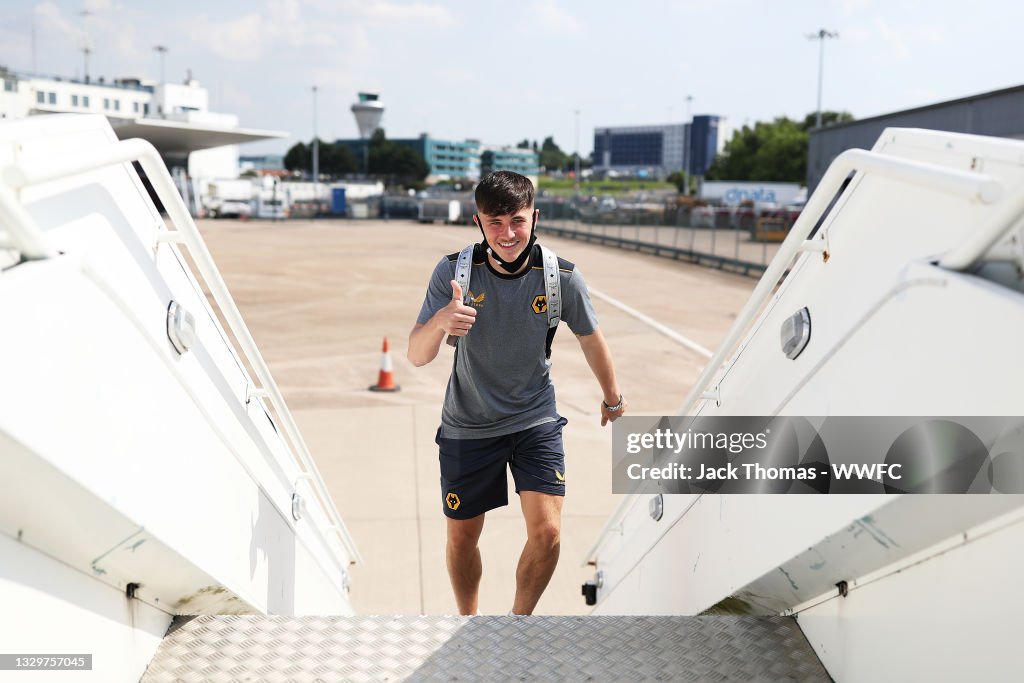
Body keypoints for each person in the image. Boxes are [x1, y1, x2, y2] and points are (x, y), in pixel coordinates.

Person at [408, 170, 625, 616]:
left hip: (535, 418)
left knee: (547, 533)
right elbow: (416, 354)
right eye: (495, 222)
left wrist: (612, 397)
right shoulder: (454, 272)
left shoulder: (561, 277)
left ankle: (516, 623)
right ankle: (468, 622)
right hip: (468, 424)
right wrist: (442, 321)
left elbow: (591, 338)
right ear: (478, 223)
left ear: (534, 217)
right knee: (462, 536)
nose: (507, 234)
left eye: (518, 221)